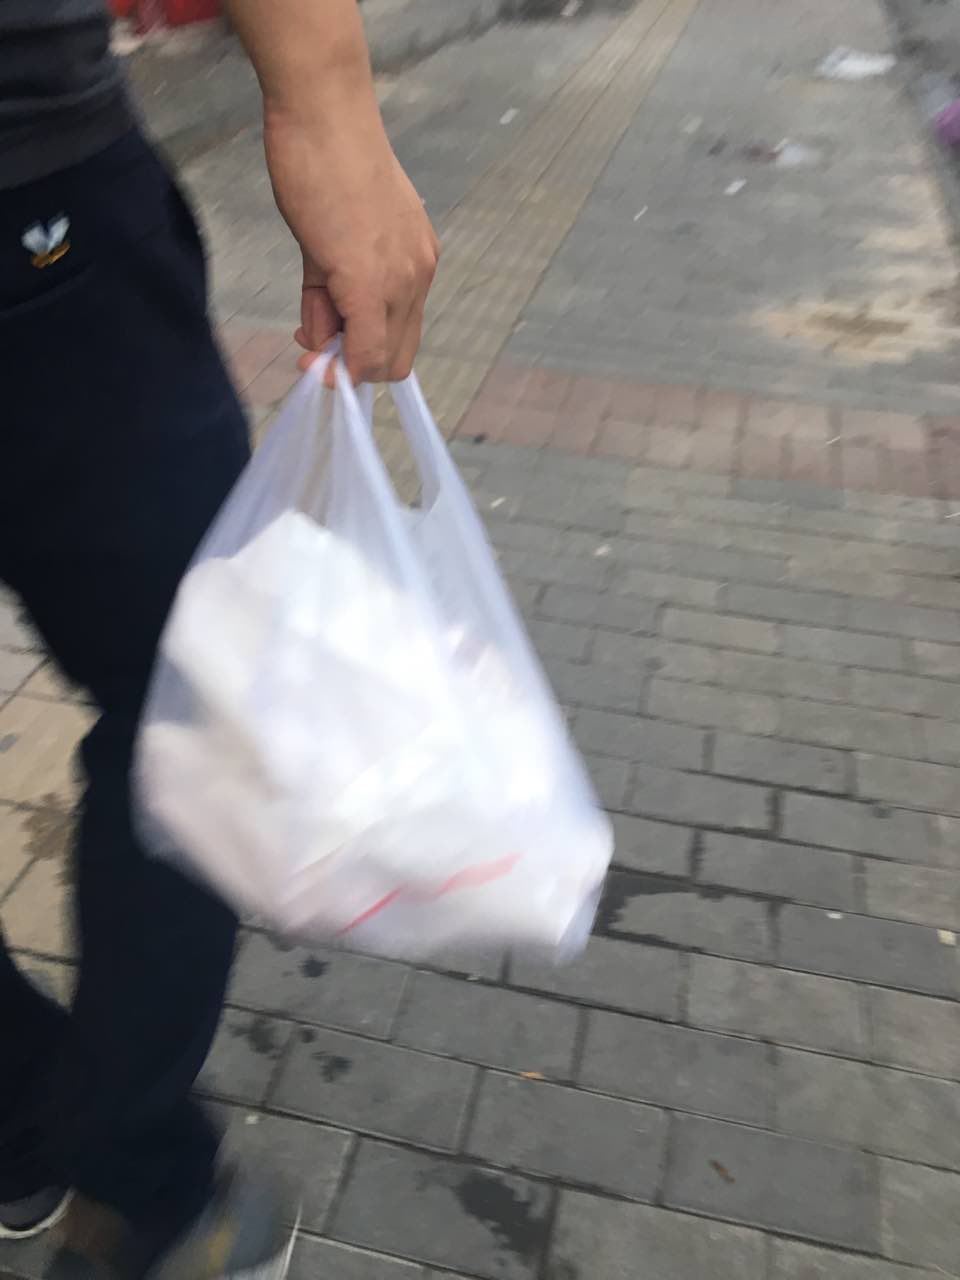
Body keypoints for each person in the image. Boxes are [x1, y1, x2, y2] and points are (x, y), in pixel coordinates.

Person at [0, 0, 439, 1274]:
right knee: (190, 691)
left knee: (186, 687)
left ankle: (33, 1120)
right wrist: (329, 102)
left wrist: (330, 104)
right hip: (34, 200)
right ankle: (134, 1179)